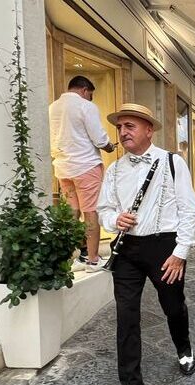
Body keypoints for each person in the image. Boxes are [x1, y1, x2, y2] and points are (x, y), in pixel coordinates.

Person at [97, 103, 195, 385]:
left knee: (173, 305)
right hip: (127, 250)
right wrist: (116, 218)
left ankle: (183, 348)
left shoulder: (172, 161)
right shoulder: (114, 170)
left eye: (130, 126)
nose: (123, 132)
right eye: (120, 127)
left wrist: (180, 252)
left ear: (148, 130)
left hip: (164, 247)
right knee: (126, 316)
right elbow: (103, 209)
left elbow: (190, 210)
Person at [49, 75, 116, 272]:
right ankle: (93, 260)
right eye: (91, 95)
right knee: (90, 211)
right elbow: (99, 138)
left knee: (71, 213)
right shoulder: (85, 106)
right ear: (85, 90)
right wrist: (110, 146)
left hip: (63, 168)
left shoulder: (53, 107)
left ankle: (69, 259)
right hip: (86, 165)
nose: (90, 99)